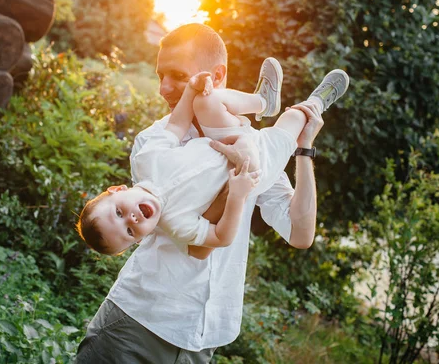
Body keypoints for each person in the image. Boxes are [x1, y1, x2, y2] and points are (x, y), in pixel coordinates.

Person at [75, 23, 338, 363]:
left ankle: (281, 104)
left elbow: (300, 233)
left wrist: (303, 150)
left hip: (204, 337)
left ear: (215, 76)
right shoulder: (153, 145)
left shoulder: (252, 146)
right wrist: (238, 181)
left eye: (177, 76)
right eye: (160, 75)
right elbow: (199, 245)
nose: (164, 88)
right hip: (135, 325)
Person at [76, 60, 349, 255]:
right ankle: (316, 104)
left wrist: (192, 90)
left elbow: (176, 126)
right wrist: (238, 195)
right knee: (293, 117)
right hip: (251, 167)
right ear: (139, 241)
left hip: (223, 137)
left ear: (117, 190)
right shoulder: (177, 225)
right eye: (129, 232)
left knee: (205, 100)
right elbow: (219, 237)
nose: (132, 219)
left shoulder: (146, 161)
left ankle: (262, 101)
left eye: (120, 212)